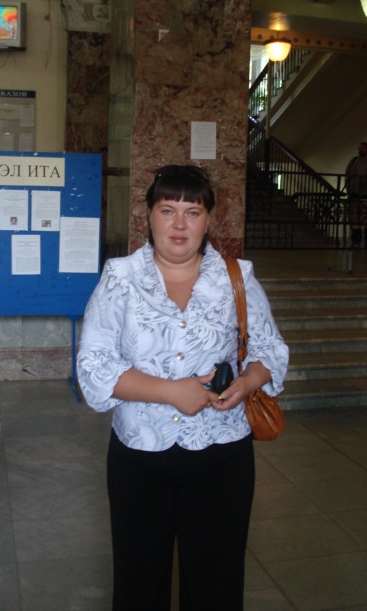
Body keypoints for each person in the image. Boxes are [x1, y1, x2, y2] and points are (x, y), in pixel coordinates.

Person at [77, 164, 289, 611]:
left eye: (192, 212)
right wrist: (172, 391)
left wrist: (248, 381)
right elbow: (94, 366)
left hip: (222, 455)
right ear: (149, 215)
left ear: (208, 219)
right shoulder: (120, 278)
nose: (179, 224)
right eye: (167, 210)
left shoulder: (236, 277)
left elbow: (270, 349)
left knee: (217, 583)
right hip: (139, 456)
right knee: (138, 583)